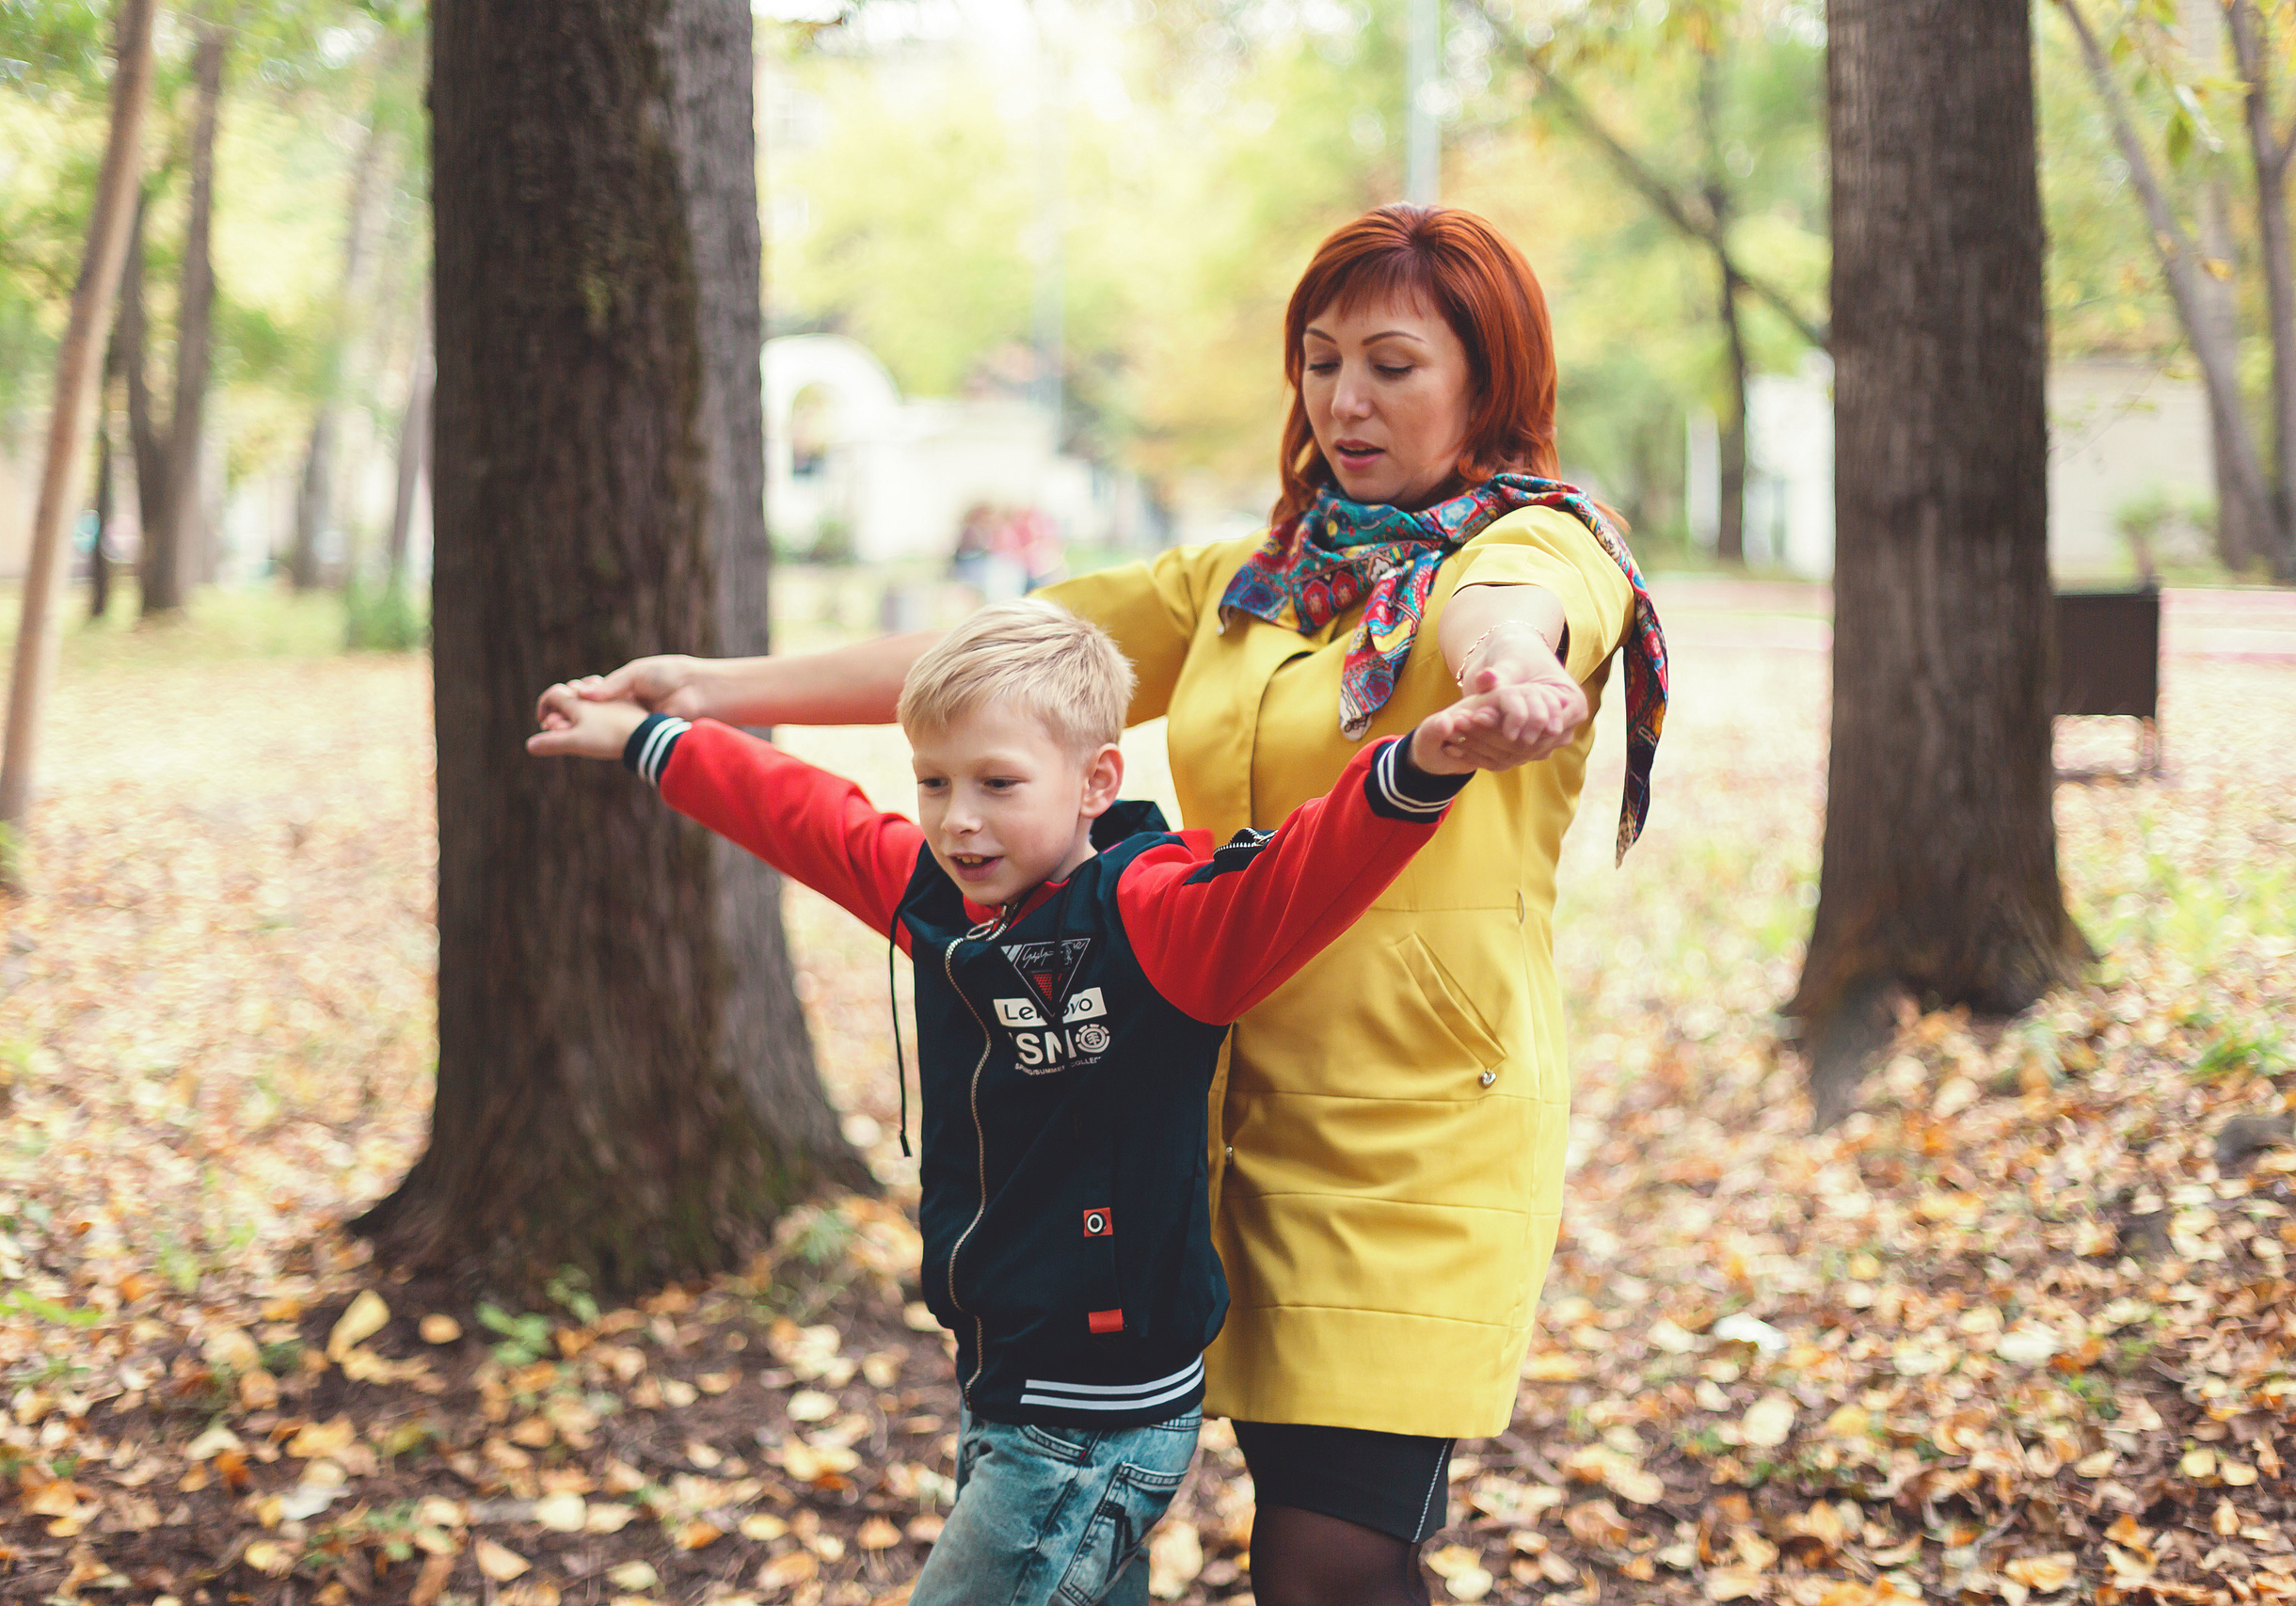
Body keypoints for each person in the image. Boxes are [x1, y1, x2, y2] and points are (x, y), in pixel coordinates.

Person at [566, 204, 1670, 1606]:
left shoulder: (1538, 545)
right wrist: (720, 691)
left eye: (1393, 363)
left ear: (1487, 380)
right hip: (1198, 1120)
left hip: (1410, 1127)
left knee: (1331, 1554)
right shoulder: (1247, 585)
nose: (1345, 398)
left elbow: (1508, 606)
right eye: (1321, 359)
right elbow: (993, 657)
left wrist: (1510, 668)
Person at [529, 597, 1526, 1605]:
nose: (960, 818)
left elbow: (1302, 875)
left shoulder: (1154, 922)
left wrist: (1421, 768)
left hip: (1093, 1417)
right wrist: (647, 736)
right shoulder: (942, 903)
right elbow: (805, 815)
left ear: (1096, 781)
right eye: (933, 782)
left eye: (998, 784)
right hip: (1000, 1380)